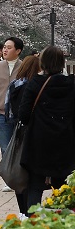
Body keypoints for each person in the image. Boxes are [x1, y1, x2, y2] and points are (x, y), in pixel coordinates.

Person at [18, 46, 75, 214]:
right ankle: (63, 222)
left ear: (42, 62)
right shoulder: (71, 85)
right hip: (66, 141)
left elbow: (23, 114)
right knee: (64, 187)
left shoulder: (35, 83)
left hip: (38, 141)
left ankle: (33, 223)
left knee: (35, 185)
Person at [4, 54, 41, 212]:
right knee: (33, 173)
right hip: (35, 130)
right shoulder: (37, 85)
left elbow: (8, 110)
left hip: (18, 129)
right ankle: (31, 210)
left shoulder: (14, 84)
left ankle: (22, 211)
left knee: (20, 171)